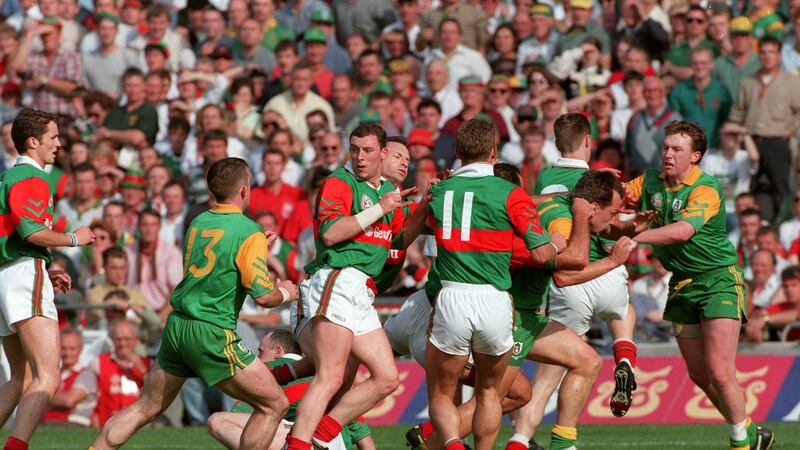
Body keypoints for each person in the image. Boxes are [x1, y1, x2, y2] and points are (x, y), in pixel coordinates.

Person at [90, 158, 299, 450]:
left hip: (178, 326)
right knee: (274, 404)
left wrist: (256, 246)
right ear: (243, 189)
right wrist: (287, 293)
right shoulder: (248, 231)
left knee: (146, 406)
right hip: (211, 331)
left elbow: (218, 260)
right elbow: (263, 297)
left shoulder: (198, 221)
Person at [626, 120, 774, 450]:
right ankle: (751, 432)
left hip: (718, 279)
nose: (667, 154)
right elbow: (616, 196)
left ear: (695, 156)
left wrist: (633, 236)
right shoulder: (649, 181)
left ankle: (741, 445)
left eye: (676, 149)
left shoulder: (705, 188)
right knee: (699, 375)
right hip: (682, 284)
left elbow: (682, 231)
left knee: (720, 371)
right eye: (666, 147)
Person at [284, 123, 427, 450]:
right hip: (337, 280)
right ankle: (298, 443)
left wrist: (425, 204)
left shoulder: (384, 192)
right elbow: (331, 233)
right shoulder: (340, 182)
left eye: (368, 151)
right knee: (331, 377)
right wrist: (381, 208)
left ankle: (322, 435)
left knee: (387, 378)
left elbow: (400, 240)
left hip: (361, 291)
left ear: (382, 153)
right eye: (355, 149)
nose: (360, 157)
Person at [425, 119, 560, 450]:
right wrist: (555, 243)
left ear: (458, 152)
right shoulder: (512, 193)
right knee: (489, 391)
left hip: (453, 296)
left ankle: (453, 446)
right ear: (494, 152)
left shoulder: (440, 191)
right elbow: (542, 254)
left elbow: (421, 227)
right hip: (495, 300)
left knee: (442, 392)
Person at [0, 108, 95, 450]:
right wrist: (73, 239)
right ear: (33, 142)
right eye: (53, 137)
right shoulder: (33, 177)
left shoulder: (7, 177)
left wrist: (44, 268)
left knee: (21, 377)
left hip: (8, 275)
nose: (58, 144)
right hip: (23, 275)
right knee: (48, 376)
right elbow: (31, 230)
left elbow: (15, 235)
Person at [41, 328, 97, 427]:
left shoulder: (87, 375)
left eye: (72, 349)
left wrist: (41, 397)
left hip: (74, 425)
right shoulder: (53, 373)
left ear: (81, 349)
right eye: (63, 348)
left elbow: (68, 401)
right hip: (47, 423)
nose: (67, 353)